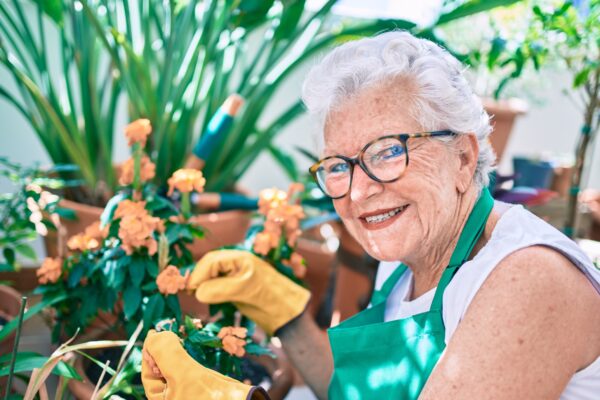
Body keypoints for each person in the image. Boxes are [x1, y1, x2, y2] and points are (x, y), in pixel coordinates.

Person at [141, 31, 600, 399]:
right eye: (339, 166)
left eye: (386, 152)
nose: (359, 191)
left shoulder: (528, 278)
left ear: (462, 157)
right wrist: (286, 316)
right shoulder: (407, 260)